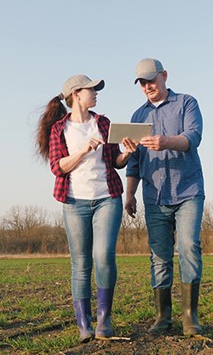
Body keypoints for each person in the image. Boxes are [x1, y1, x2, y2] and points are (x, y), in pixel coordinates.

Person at [35, 74, 137, 342]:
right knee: (81, 264)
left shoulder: (103, 123)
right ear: (76, 95)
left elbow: (116, 161)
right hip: (74, 202)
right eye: (91, 89)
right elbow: (57, 167)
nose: (96, 93)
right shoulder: (60, 129)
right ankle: (84, 325)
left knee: (103, 255)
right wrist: (81, 151)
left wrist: (127, 152)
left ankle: (104, 319)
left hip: (107, 198)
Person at [125, 58, 205, 336]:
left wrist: (166, 141)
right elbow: (133, 161)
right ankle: (162, 317)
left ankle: (190, 317)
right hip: (154, 196)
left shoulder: (186, 103)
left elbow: (193, 137)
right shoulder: (137, 117)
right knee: (159, 257)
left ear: (164, 76)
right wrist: (130, 194)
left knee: (188, 247)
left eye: (151, 80)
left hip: (188, 191)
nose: (148, 86)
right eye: (142, 83)